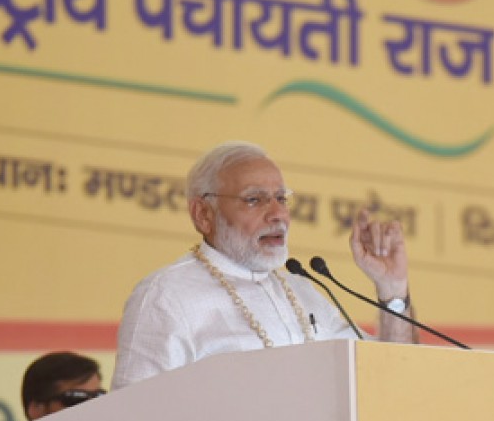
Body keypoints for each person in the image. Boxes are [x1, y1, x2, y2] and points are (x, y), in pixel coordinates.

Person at [112, 141, 416, 389]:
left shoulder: (303, 291)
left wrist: (392, 289)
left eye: (281, 199)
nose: (277, 215)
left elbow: (391, 375)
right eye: (254, 200)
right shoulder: (166, 296)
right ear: (203, 214)